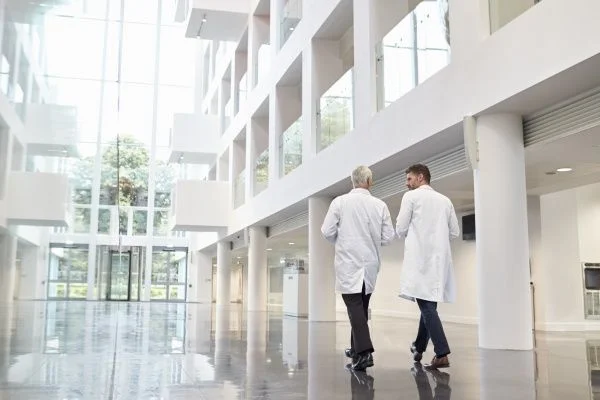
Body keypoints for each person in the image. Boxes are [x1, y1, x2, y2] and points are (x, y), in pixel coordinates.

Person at [321, 165, 395, 371]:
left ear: (352, 181)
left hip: (348, 264)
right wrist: (372, 240)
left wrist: (341, 239)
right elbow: (388, 237)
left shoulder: (340, 202)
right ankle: (356, 349)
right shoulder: (380, 205)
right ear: (370, 182)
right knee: (360, 309)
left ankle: (364, 353)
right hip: (369, 265)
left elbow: (327, 232)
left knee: (355, 309)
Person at [395, 164, 459, 370]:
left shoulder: (411, 198)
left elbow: (401, 228)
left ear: (421, 177)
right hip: (439, 262)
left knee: (427, 306)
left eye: (409, 179)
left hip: (420, 260)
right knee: (428, 305)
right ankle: (419, 346)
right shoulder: (445, 200)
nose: (407, 183)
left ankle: (442, 353)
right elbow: (455, 232)